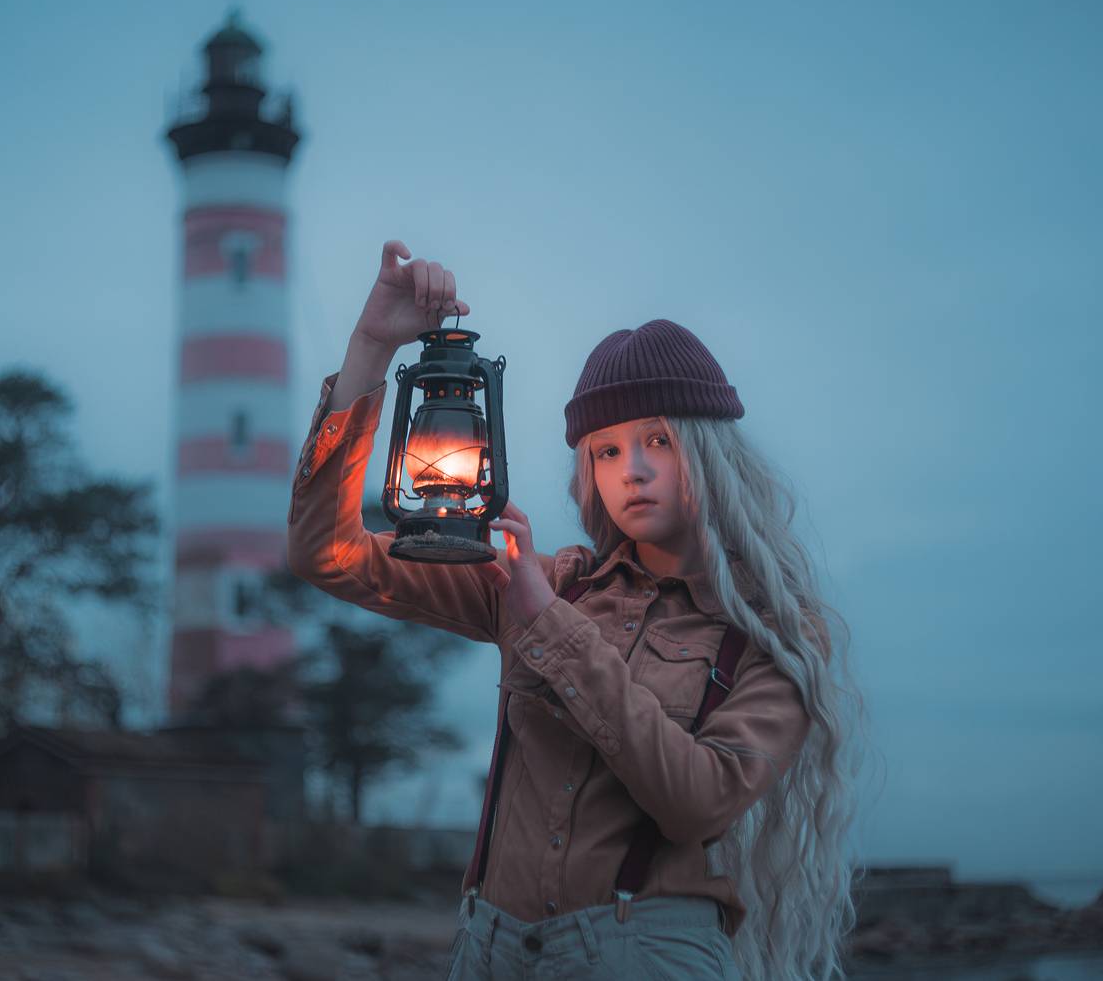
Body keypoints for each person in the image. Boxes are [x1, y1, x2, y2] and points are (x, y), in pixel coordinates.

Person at [287, 240, 862, 980]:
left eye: (659, 440)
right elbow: (324, 552)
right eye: (608, 450)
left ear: (709, 452)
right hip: (488, 946)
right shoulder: (548, 580)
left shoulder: (770, 633)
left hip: (647, 951)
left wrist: (547, 622)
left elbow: (697, 801)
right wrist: (371, 346)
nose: (636, 470)